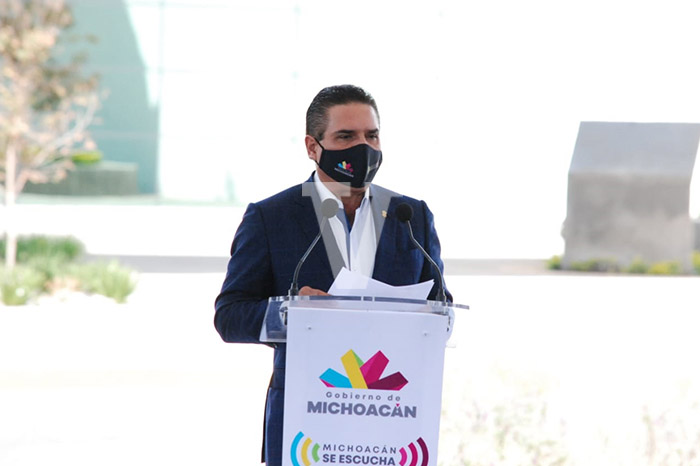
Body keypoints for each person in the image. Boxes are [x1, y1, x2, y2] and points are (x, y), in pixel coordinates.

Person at [214, 84, 451, 466]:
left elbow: (443, 312)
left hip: (394, 414)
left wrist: (433, 319)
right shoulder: (271, 217)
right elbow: (229, 316)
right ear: (313, 147)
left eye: (371, 136)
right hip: (306, 417)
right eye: (346, 137)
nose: (364, 148)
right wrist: (291, 313)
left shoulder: (410, 216)